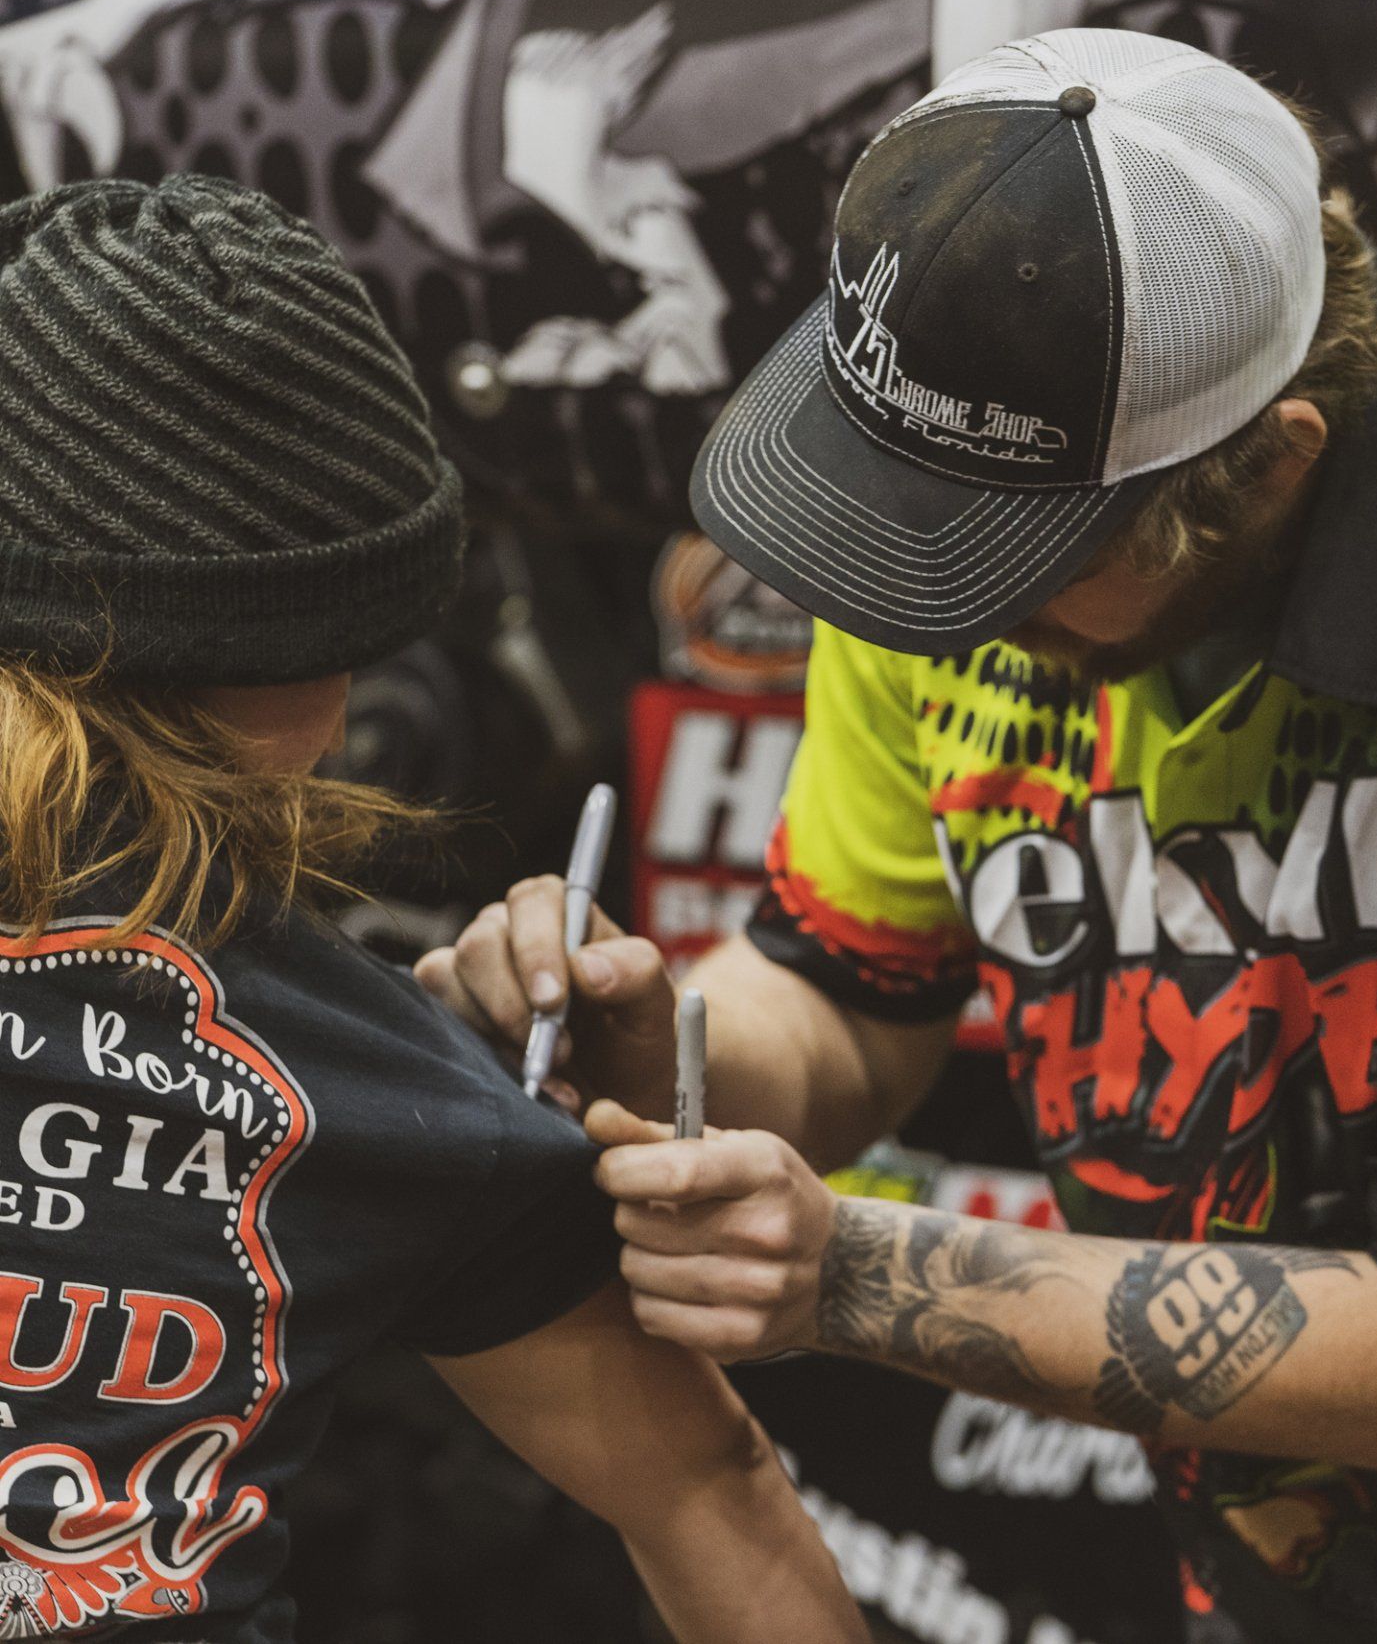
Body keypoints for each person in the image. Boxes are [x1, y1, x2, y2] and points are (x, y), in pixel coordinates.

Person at [420, 29, 1377, 1642]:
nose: (932, 611)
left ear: (1269, 466)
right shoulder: (950, 490)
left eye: (1005, 564)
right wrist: (661, 1050)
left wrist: (845, 1271)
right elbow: (855, 996)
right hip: (1297, 1561)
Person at [0, 175, 862, 1644]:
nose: (347, 725)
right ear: (285, 654)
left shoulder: (372, 1066)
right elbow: (709, 1484)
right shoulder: (334, 1069)